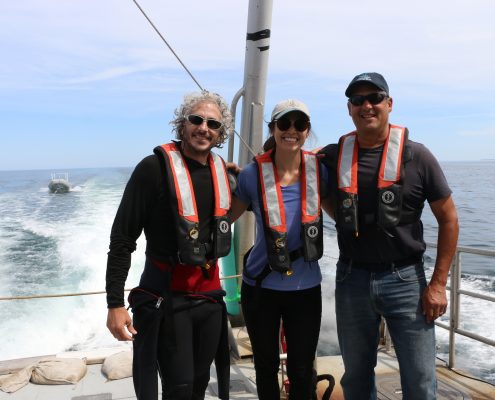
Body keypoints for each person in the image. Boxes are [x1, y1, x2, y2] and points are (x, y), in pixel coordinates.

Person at [319, 72, 459, 399]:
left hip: (406, 279)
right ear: (349, 109)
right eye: (357, 100)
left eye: (374, 98)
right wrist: (241, 173)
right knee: (355, 377)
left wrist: (438, 285)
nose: (366, 106)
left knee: (421, 379)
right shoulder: (332, 154)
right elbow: (290, 165)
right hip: (351, 277)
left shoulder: (419, 156)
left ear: (389, 104)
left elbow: (449, 219)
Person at [105, 91, 235, 400]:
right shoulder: (152, 170)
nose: (204, 128)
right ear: (182, 124)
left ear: (220, 134)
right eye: (196, 120)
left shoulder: (223, 175)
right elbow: (123, 239)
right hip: (168, 300)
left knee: (200, 384)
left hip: (210, 301)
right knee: (179, 388)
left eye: (213, 123)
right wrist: (114, 303)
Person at [231, 99, 330, 400]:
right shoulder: (250, 175)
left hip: (305, 288)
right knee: (265, 366)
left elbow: (345, 208)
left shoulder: (319, 172)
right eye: (284, 124)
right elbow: (223, 218)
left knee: (302, 370)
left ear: (307, 130)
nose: (291, 130)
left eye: (299, 125)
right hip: (261, 286)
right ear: (273, 128)